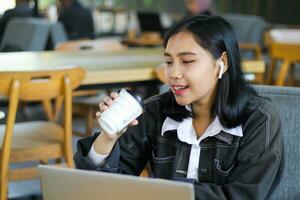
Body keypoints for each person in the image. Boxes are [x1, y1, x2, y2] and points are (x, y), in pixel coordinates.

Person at [74, 15, 283, 200]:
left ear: (223, 63)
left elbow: (245, 195)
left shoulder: (259, 120)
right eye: (168, 62)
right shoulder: (155, 110)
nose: (173, 73)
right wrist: (108, 138)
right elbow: (104, 189)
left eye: (187, 61)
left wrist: (159, 192)